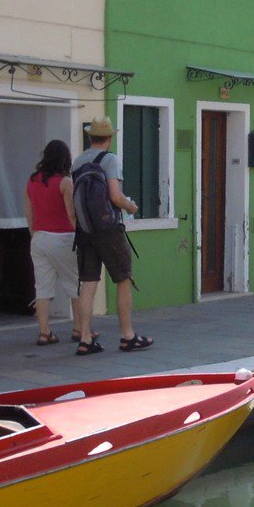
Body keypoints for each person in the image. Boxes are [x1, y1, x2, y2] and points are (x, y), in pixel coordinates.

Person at [72, 117, 152, 355]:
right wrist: (130, 207)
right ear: (109, 137)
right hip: (108, 229)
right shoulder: (110, 160)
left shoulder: (77, 161)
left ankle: (85, 338)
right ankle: (127, 335)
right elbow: (115, 196)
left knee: (88, 282)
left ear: (90, 137)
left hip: (85, 230)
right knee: (123, 278)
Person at [23, 140, 79, 345]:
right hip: (63, 236)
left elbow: (29, 213)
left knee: (43, 287)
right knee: (75, 284)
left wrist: (34, 234)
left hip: (39, 237)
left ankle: (44, 332)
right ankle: (79, 329)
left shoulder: (32, 180)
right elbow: (71, 214)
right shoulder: (66, 182)